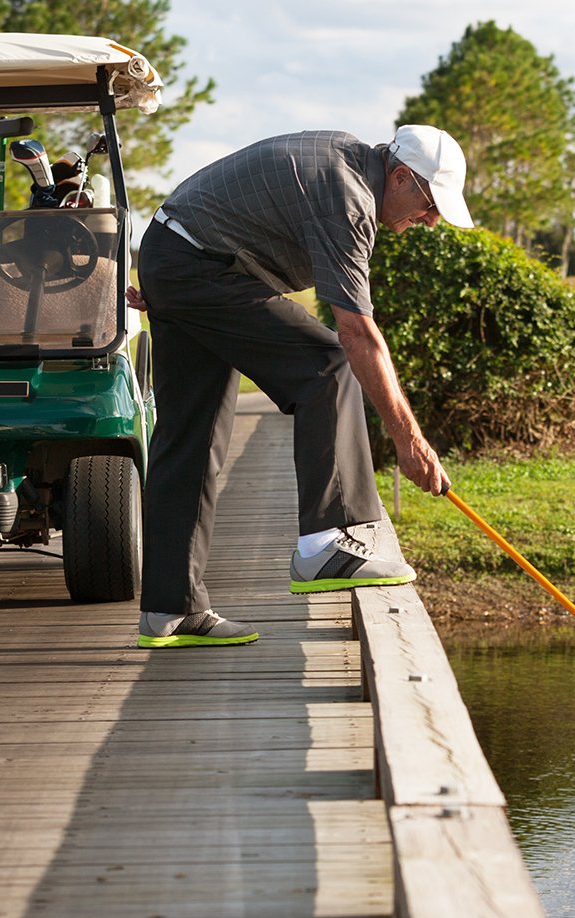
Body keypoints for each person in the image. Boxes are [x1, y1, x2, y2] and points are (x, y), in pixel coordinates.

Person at [126, 125, 474, 648]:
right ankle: (328, 544)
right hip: (195, 265)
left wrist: (166, 277)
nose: (429, 220)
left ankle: (169, 610)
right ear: (401, 176)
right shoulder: (350, 199)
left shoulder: (346, 168)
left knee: (191, 436)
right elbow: (357, 335)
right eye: (430, 204)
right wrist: (411, 441)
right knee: (327, 366)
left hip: (173, 254)